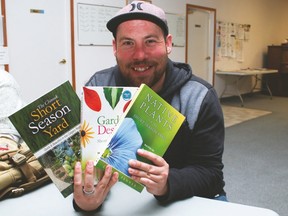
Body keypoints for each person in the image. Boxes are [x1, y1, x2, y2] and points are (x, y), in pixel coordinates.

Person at [73, 1, 226, 212]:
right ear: (114, 47)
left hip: (189, 198)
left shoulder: (199, 96)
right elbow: (82, 160)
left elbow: (210, 173)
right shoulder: (98, 87)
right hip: (119, 199)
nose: (140, 55)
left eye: (150, 41)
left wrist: (167, 182)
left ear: (168, 43)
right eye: (128, 43)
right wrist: (85, 198)